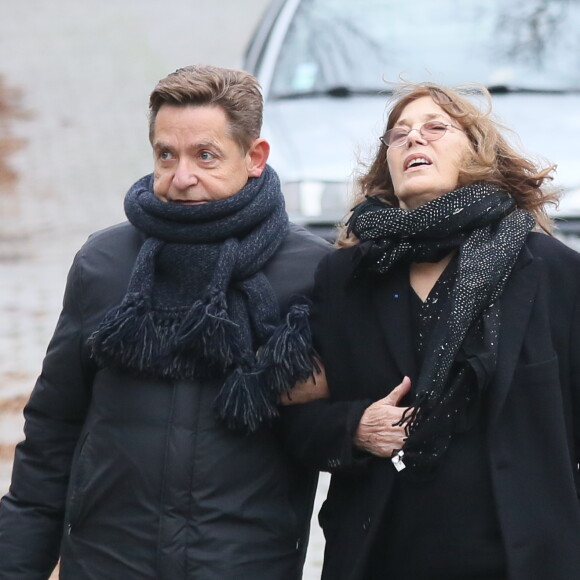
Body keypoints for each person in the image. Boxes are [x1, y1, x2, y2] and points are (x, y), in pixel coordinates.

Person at [0, 64, 331, 579]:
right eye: (166, 155)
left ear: (255, 157)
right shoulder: (104, 264)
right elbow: (52, 432)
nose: (181, 178)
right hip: (107, 562)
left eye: (205, 155)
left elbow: (341, 431)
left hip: (242, 564)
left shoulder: (311, 272)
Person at [280, 82, 580, 580]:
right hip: (383, 554)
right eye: (398, 136)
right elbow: (292, 421)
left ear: (478, 152)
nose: (413, 140)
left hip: (522, 558)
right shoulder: (345, 277)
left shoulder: (554, 273)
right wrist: (354, 428)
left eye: (435, 128)